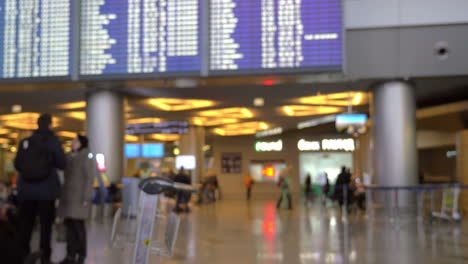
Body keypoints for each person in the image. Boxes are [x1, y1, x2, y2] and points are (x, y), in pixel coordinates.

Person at [14, 113, 66, 264]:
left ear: (37, 125)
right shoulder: (53, 141)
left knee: (25, 227)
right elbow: (62, 164)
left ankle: (22, 258)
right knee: (45, 229)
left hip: (26, 191)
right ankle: (44, 258)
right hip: (46, 192)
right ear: (50, 125)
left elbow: (18, 165)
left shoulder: (26, 142)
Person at [58, 135, 96, 264]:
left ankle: (81, 255)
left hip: (79, 198)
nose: (73, 143)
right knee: (69, 227)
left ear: (82, 143)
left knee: (78, 227)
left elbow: (89, 178)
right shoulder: (70, 156)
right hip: (68, 198)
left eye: (75, 141)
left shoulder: (86, 156)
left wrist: (86, 197)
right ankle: (70, 255)